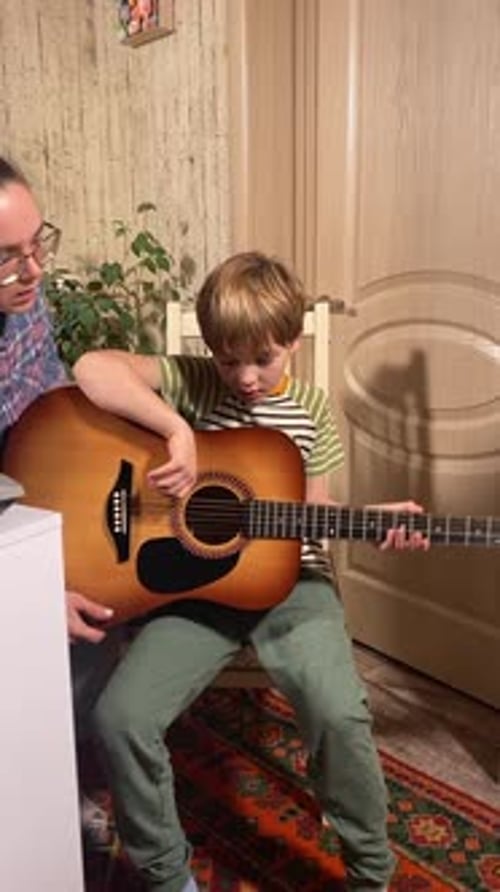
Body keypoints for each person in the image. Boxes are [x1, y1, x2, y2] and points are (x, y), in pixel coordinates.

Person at [74, 250, 429, 892]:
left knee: (339, 714)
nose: (243, 377)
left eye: (262, 358)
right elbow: (91, 369)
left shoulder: (312, 411)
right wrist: (176, 430)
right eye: (226, 358)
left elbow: (314, 513)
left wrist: (371, 522)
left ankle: (371, 875)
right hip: (198, 589)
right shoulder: (193, 383)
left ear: (293, 341)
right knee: (120, 716)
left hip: (294, 585)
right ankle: (167, 876)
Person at [0, 156, 123, 843]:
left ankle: (55, 765)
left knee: (110, 598)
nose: (33, 271)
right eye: (7, 258)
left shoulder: (27, 299)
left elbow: (51, 394)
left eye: (37, 244)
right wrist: (31, 592)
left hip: (32, 501)